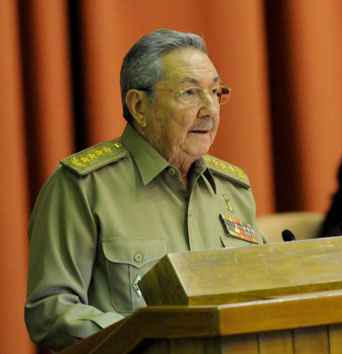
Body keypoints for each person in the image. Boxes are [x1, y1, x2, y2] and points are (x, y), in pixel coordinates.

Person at [25, 28, 265, 351]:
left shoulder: (233, 189)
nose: (210, 109)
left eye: (216, 92)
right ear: (139, 106)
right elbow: (50, 311)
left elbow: (264, 293)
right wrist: (152, 339)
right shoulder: (83, 187)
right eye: (190, 93)